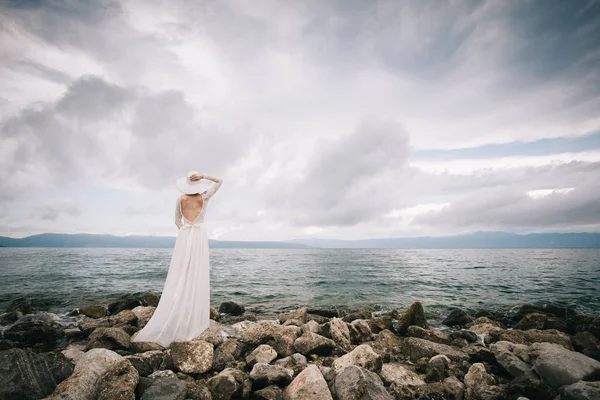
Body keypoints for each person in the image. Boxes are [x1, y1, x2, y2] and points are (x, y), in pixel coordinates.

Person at [133, 171, 223, 347]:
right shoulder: (204, 197)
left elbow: (177, 221)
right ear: (198, 184)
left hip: (184, 236)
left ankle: (176, 311)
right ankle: (192, 318)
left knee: (180, 274)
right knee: (195, 273)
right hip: (198, 237)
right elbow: (220, 181)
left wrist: (185, 233)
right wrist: (204, 176)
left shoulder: (180, 199)